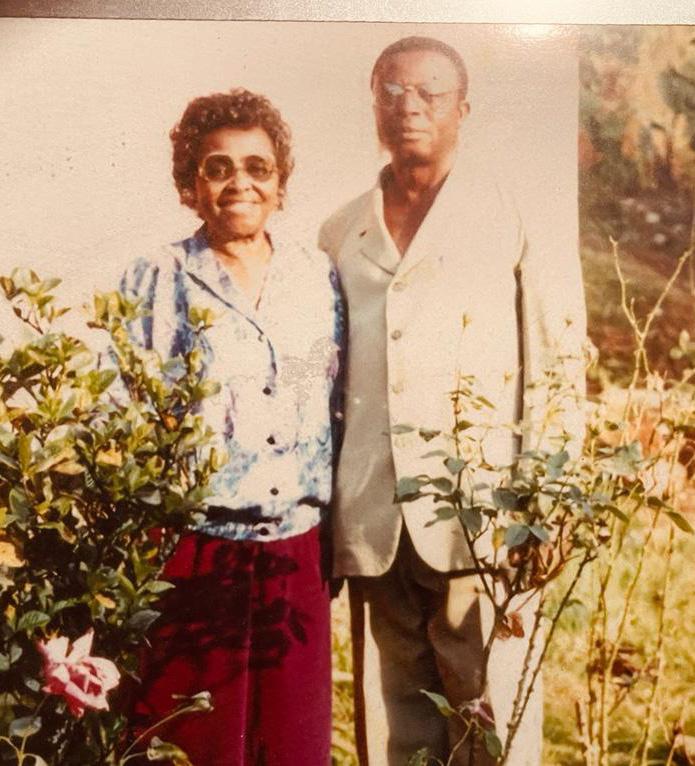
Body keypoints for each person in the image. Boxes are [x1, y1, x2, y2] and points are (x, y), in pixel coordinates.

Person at [319, 36, 586, 765]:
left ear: (462, 109)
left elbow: (558, 364)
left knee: (490, 716)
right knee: (395, 722)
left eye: (430, 92)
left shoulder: (514, 214)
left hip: (484, 516)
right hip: (375, 520)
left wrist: (544, 505)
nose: (410, 107)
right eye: (393, 91)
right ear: (373, 105)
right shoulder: (341, 230)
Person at [121, 88, 343, 765]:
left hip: (297, 553)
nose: (239, 182)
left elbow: (335, 398)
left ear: (280, 184)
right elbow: (124, 414)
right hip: (194, 552)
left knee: (292, 747)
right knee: (194, 745)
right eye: (217, 167)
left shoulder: (318, 276)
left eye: (257, 167)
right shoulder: (156, 277)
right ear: (190, 186)